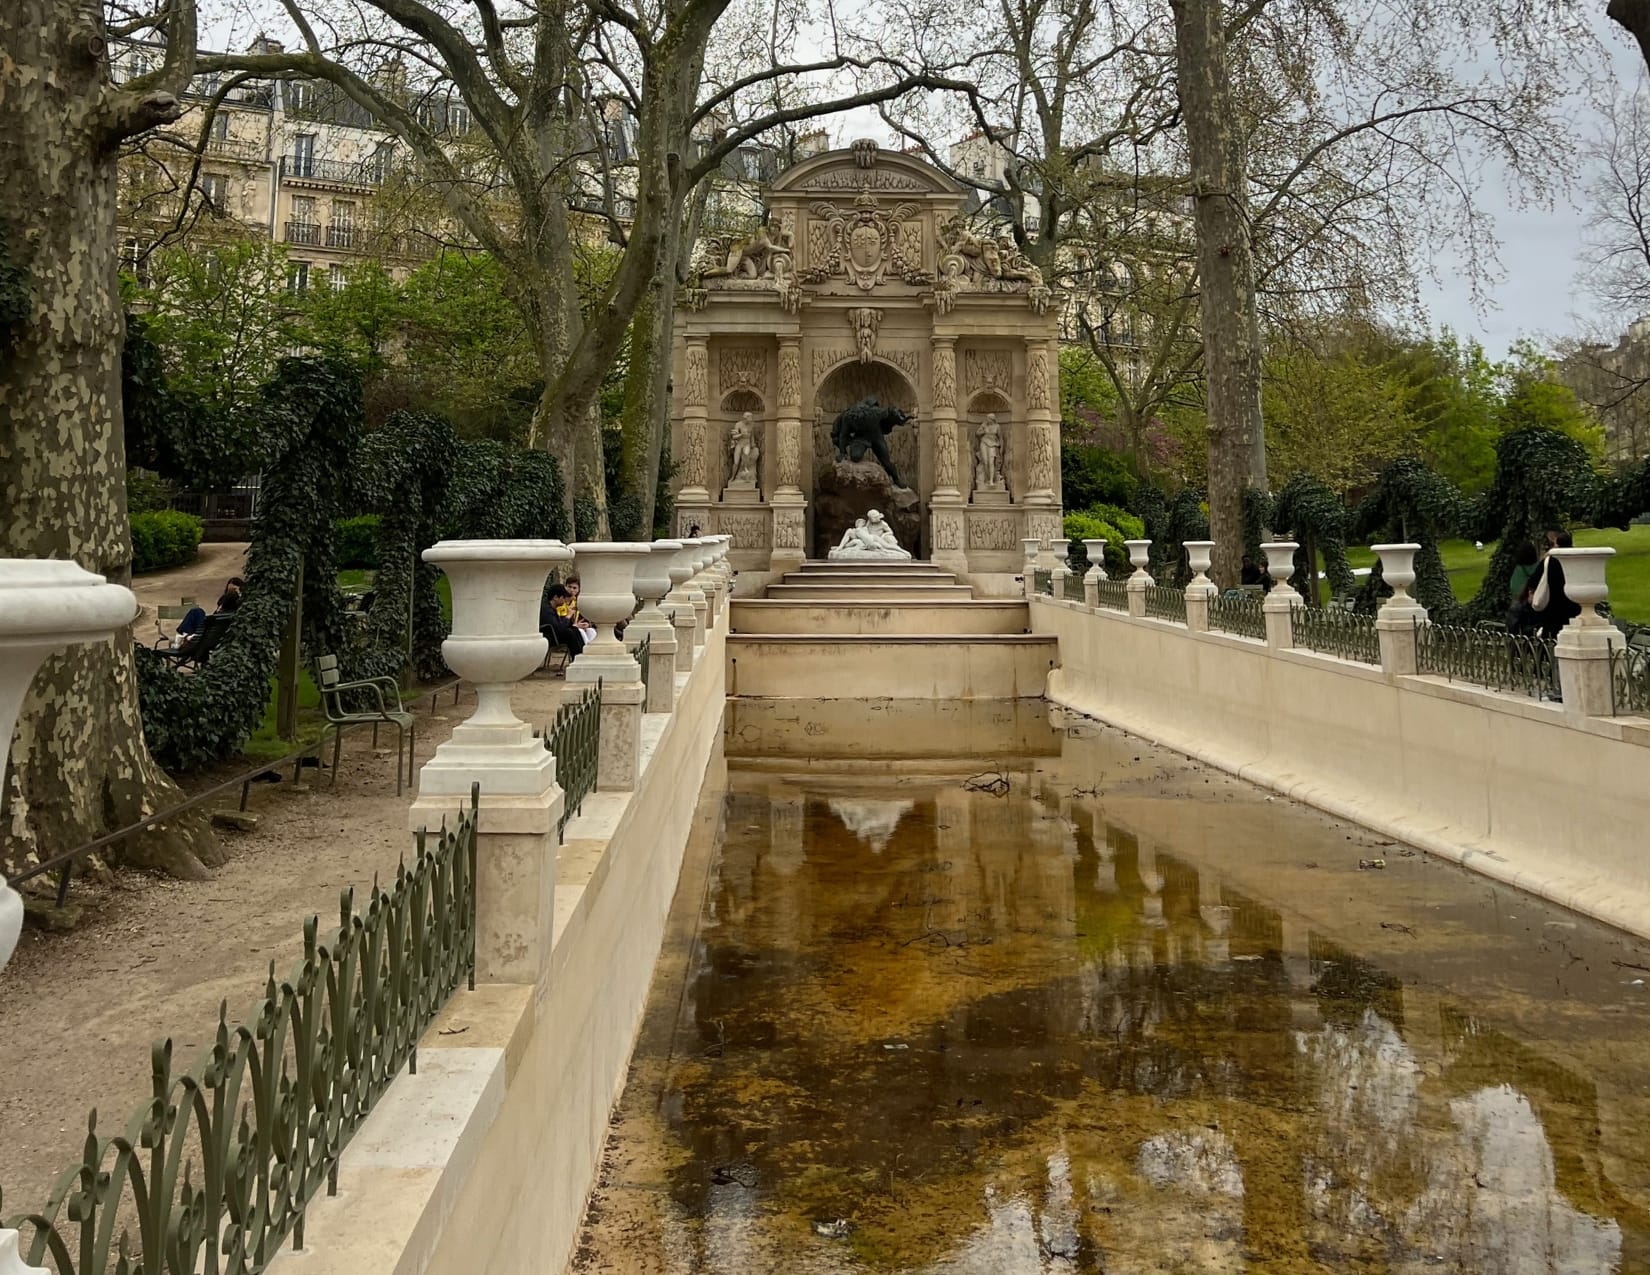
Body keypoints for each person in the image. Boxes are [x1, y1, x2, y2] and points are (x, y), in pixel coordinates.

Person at [1532, 531, 1581, 640]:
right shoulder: (1578, 558)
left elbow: (1534, 579)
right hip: (1573, 603)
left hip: (1553, 604)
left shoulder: (1550, 560)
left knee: (1552, 634)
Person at [541, 583, 585, 657]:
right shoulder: (546, 610)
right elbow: (557, 628)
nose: (565, 600)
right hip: (550, 636)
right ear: (555, 597)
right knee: (570, 633)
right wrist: (568, 616)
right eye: (563, 597)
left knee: (574, 630)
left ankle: (581, 655)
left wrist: (574, 624)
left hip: (555, 634)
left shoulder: (552, 608)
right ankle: (577, 656)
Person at [1506, 542, 1540, 635]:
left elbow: (1514, 588)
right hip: (1535, 605)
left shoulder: (1518, 570)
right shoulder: (1539, 567)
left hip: (1519, 607)